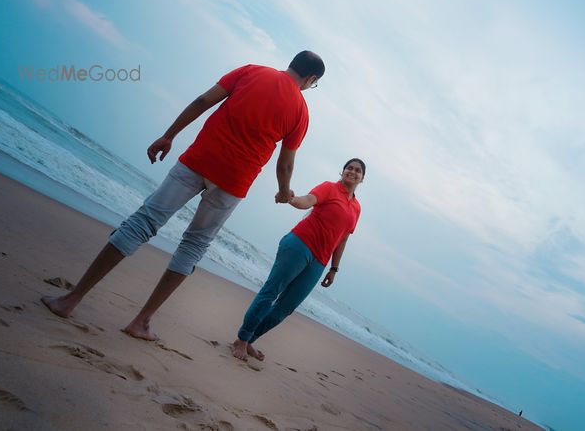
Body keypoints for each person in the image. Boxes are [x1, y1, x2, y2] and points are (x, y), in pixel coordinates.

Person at [41, 51, 325, 342]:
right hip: (233, 183)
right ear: (311, 79)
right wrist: (282, 189)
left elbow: (203, 101)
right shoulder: (301, 113)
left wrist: (169, 135)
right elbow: (285, 163)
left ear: (293, 64)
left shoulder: (252, 71)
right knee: (193, 245)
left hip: (198, 160)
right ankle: (141, 322)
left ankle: (71, 300)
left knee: (143, 222)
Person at [231, 158, 364, 362]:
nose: (352, 172)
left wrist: (334, 268)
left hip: (319, 262)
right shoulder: (329, 188)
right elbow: (308, 200)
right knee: (271, 292)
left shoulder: (356, 208)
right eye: (349, 168)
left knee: (286, 307)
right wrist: (291, 198)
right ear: (343, 171)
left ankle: (251, 339)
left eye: (357, 171)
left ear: (362, 178)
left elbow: (343, 238)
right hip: (299, 245)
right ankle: (242, 338)